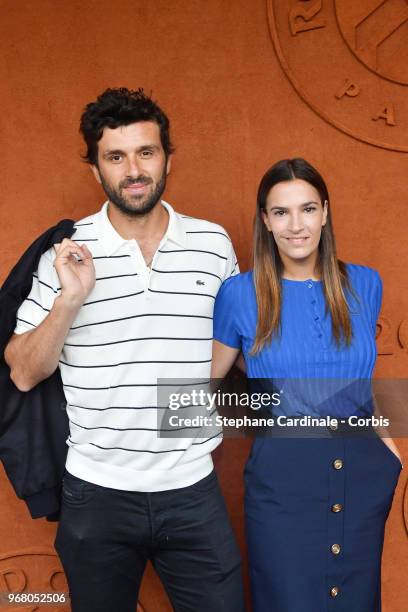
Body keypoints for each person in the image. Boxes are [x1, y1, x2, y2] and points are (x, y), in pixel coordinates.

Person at [4, 87, 244, 612]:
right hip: (96, 495)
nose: (133, 169)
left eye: (146, 152)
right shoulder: (64, 253)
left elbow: (238, 350)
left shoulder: (213, 244)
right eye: (115, 157)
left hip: (192, 488)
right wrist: (70, 300)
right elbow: (23, 372)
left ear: (167, 158)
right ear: (96, 170)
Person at [211, 158, 402, 611]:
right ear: (265, 220)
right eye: (281, 212)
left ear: (326, 212)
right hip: (283, 478)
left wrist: (389, 450)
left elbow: (362, 380)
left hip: (361, 471)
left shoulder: (365, 284)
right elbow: (212, 386)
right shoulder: (240, 294)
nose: (296, 225)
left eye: (308, 209)